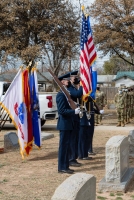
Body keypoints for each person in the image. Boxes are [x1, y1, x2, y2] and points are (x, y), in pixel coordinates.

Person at [56, 74, 80, 174]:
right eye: (66, 81)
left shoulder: (66, 94)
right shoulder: (61, 95)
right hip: (64, 124)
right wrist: (73, 112)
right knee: (63, 147)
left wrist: (75, 107)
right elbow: (61, 111)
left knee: (66, 146)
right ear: (62, 82)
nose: (68, 82)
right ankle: (61, 167)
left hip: (68, 124)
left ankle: (65, 166)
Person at [67, 70, 83, 167]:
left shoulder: (73, 87)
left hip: (76, 115)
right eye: (74, 77)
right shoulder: (68, 88)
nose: (76, 78)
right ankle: (71, 158)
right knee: (72, 139)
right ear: (69, 79)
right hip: (72, 116)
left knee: (76, 138)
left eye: (76, 77)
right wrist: (81, 85)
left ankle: (74, 157)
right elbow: (77, 95)